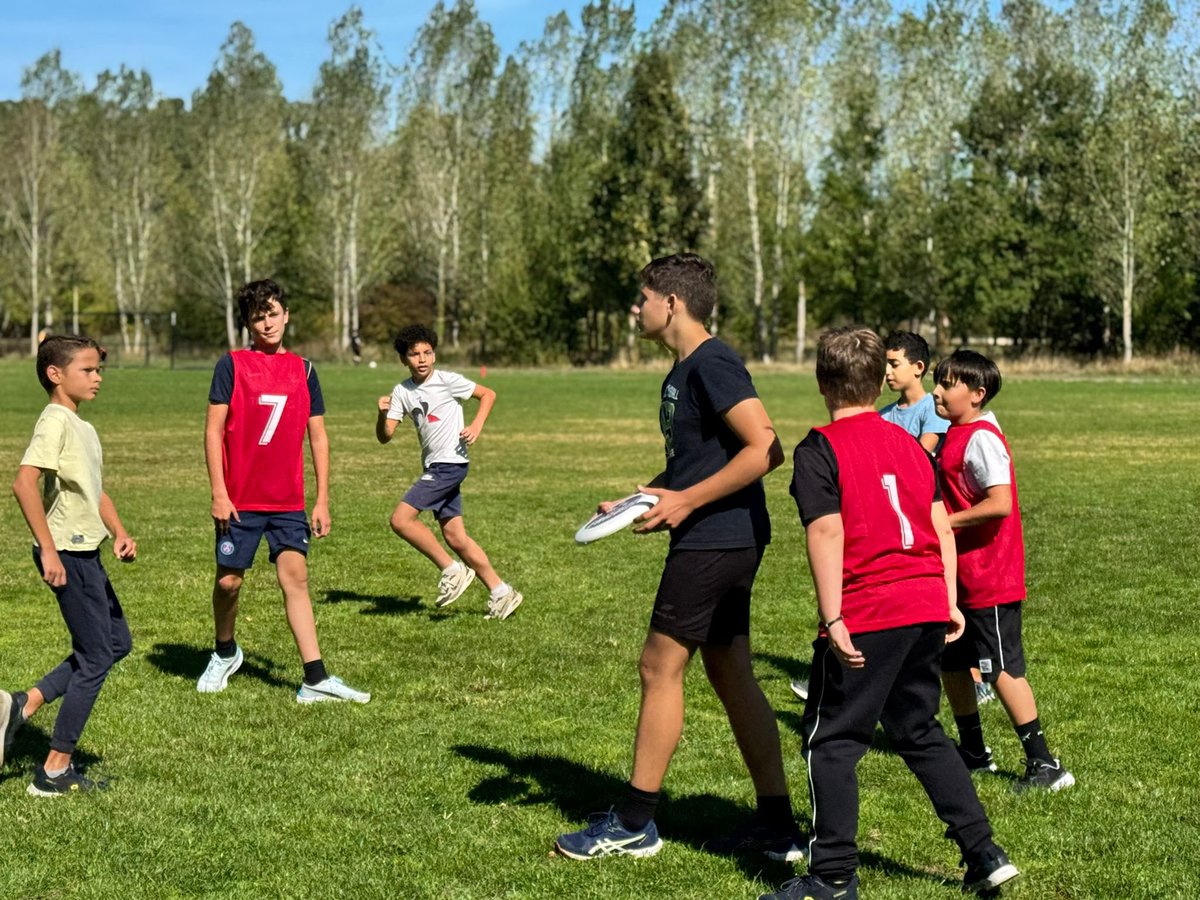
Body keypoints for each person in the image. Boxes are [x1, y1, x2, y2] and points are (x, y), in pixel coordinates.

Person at [555, 252, 802, 862]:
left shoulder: (713, 363)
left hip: (717, 537)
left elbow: (767, 448)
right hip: (726, 534)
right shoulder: (683, 369)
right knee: (729, 670)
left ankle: (635, 821)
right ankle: (777, 825)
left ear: (672, 302)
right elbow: (702, 458)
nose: (634, 308)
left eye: (641, 298)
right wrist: (644, 495)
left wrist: (686, 502)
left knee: (658, 667)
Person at [760, 327, 1018, 900]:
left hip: (871, 609)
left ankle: (831, 875)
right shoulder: (912, 442)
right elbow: (935, 524)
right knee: (917, 728)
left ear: (822, 381)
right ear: (880, 380)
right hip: (925, 603)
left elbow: (826, 530)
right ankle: (983, 852)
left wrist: (833, 619)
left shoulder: (819, 447)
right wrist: (947, 598)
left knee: (831, 740)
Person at [196, 279, 369, 704]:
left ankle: (314, 678)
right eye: (259, 316)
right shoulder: (231, 365)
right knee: (230, 583)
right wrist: (219, 491)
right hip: (240, 502)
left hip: (287, 502)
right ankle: (224, 652)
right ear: (248, 324)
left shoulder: (305, 371)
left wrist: (322, 498)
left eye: (273, 313)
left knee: (296, 577)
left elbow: (319, 437)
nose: (268, 323)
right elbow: (213, 430)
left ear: (286, 315)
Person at [932, 349, 1073, 790]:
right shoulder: (956, 432)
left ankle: (1045, 764)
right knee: (951, 661)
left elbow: (1000, 503)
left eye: (947, 384)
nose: (937, 390)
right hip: (959, 574)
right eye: (937, 381)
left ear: (976, 394)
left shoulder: (981, 439)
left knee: (1001, 669)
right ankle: (973, 752)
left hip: (989, 577)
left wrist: (942, 525)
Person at [2, 335, 136, 795]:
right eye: (88, 370)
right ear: (55, 375)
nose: (98, 377)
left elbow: (93, 490)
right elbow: (23, 483)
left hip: (86, 550)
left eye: (100, 369)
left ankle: (22, 705)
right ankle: (53, 770)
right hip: (66, 552)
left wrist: (118, 531)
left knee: (117, 642)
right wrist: (49, 550)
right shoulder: (55, 421)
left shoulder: (84, 427)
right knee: (97, 655)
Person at [376, 324, 523, 620]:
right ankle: (501, 592)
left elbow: (488, 394)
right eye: (414, 354)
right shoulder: (401, 391)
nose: (422, 359)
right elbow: (385, 435)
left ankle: (452, 569)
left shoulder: (447, 381)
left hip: (451, 463)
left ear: (435, 354)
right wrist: (381, 414)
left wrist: (477, 425)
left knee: (401, 519)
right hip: (435, 464)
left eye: (427, 352)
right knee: (456, 536)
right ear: (403, 359)